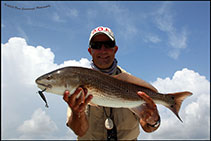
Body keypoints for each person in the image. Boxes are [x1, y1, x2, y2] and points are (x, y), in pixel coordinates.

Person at [63, 26, 160, 140]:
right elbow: (80, 131)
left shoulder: (130, 82)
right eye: (96, 45)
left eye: (108, 44)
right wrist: (77, 113)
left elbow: (148, 127)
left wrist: (154, 121)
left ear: (115, 49)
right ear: (90, 51)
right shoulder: (79, 82)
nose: (103, 50)